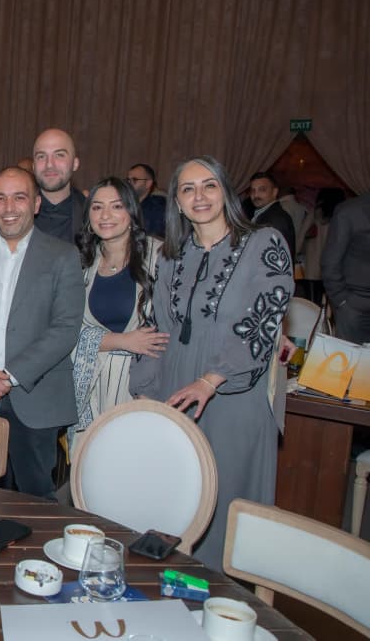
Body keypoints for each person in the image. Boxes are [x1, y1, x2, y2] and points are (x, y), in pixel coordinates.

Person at [130, 156, 293, 570]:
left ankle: (225, 598)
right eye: (187, 189)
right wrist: (145, 393)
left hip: (233, 392)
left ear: (226, 192)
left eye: (209, 185)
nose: (199, 196)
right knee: (176, 500)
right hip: (176, 388)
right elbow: (157, 327)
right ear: (177, 202)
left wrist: (211, 379)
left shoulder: (264, 243)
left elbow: (265, 319)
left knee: (226, 498)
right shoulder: (171, 255)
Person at [0, 166, 84, 497]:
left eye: (19, 197)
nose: (8, 207)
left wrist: (9, 376)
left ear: (36, 204)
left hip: (35, 398)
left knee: (33, 503)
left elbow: (66, 328)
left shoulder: (63, 256)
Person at [71, 177, 166, 445]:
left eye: (116, 206)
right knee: (91, 461)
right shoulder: (81, 262)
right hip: (90, 386)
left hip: (143, 385)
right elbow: (66, 330)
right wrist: (122, 341)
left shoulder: (160, 257)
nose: (106, 215)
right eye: (97, 207)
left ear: (132, 212)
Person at [321, 192, 370, 344]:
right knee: (351, 358)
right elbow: (330, 262)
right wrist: (342, 301)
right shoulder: (350, 211)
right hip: (355, 307)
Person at [32, 128, 88, 243]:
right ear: (33, 166)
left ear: (75, 164)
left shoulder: (91, 215)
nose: (49, 164)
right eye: (41, 156)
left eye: (59, 155)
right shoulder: (15, 212)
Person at [296, 188, 345, 305]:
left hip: (312, 268)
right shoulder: (342, 215)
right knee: (332, 305)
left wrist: (296, 252)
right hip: (335, 268)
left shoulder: (314, 214)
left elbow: (301, 236)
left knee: (312, 304)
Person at [248, 171, 296, 257]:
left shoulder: (276, 218)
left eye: (262, 190)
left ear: (274, 192)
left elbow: (273, 256)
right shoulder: (264, 213)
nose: (256, 195)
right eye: (253, 190)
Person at [126, 163, 166, 238]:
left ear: (148, 183)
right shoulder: (125, 204)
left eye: (134, 180)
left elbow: (152, 239)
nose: (129, 183)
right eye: (128, 180)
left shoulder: (157, 207)